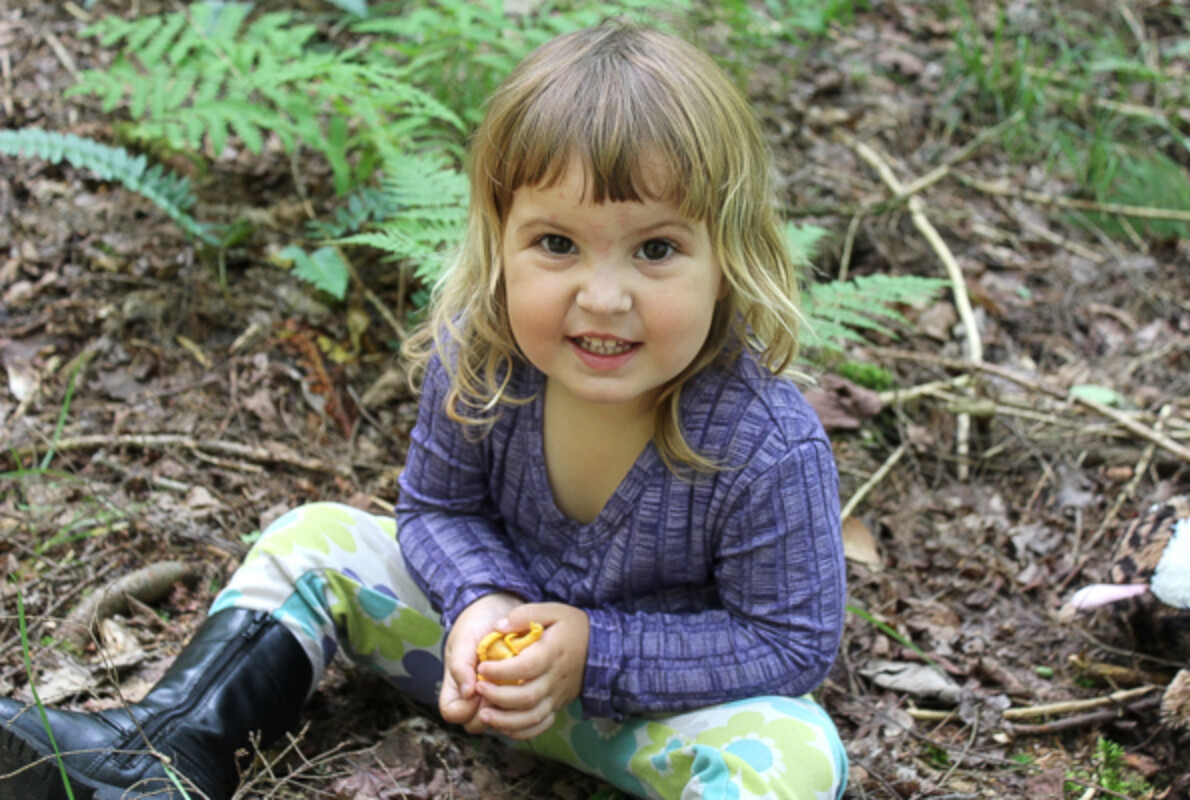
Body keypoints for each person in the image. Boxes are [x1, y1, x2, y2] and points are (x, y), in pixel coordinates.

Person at [0, 21, 848, 800]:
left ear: (731, 261)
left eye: (656, 249)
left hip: (655, 722)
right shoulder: (482, 361)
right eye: (557, 244)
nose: (602, 296)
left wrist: (596, 652)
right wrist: (481, 602)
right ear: (500, 241)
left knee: (800, 753)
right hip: (471, 662)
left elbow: (789, 642)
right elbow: (438, 507)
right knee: (312, 541)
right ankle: (160, 757)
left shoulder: (764, 444)